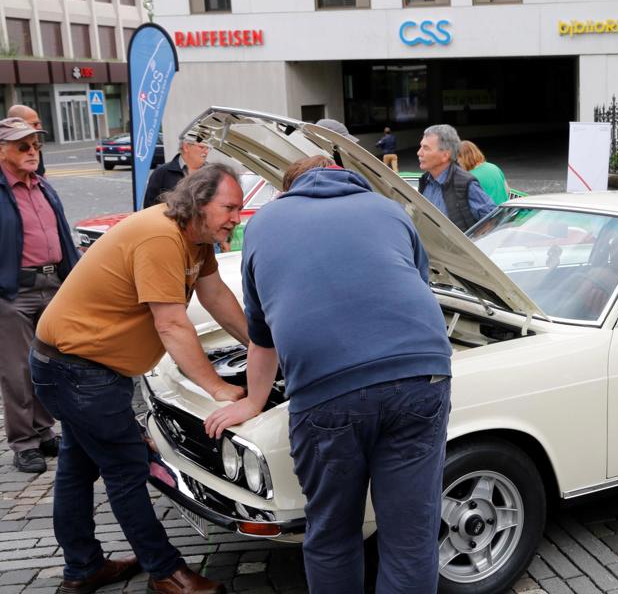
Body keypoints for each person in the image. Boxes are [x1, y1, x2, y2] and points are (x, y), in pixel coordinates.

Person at [204, 157, 452, 594]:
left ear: (287, 189)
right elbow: (417, 286)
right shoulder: (389, 208)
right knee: (410, 538)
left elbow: (262, 336)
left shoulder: (265, 223)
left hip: (327, 395)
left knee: (333, 534)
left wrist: (253, 400)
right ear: (348, 177)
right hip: (419, 377)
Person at [30, 164, 251, 594]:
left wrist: (263, 346)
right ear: (198, 203)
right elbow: (171, 324)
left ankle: (83, 569)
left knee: (77, 467)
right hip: (76, 370)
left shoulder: (196, 238)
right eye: (229, 207)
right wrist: (218, 388)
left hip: (79, 368)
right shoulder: (161, 237)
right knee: (127, 467)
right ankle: (166, 572)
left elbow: (216, 295)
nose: (236, 218)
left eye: (239, 209)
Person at [0, 117, 78, 473]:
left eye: (36, 145)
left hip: (52, 287)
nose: (32, 152)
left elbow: (62, 236)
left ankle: (45, 432)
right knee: (16, 371)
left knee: (46, 364)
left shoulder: (43, 186)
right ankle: (23, 443)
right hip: (13, 292)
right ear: (2, 151)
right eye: (23, 146)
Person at [417, 124, 496, 231]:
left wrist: (471, 241)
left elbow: (493, 219)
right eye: (421, 147)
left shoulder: (464, 183)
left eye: (426, 148)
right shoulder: (425, 181)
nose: (419, 153)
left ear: (445, 155)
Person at [143, 135, 210, 208]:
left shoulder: (212, 173)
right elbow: (149, 208)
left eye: (208, 148)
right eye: (202, 147)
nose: (206, 152)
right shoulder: (161, 173)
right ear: (186, 147)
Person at [458, 139, 509, 205]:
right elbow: (507, 190)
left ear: (463, 158)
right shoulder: (493, 166)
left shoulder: (468, 177)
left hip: (487, 214)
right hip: (504, 211)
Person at [7, 104, 46, 176]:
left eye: (36, 146)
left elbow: (41, 178)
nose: (32, 152)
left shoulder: (36, 151)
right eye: (35, 124)